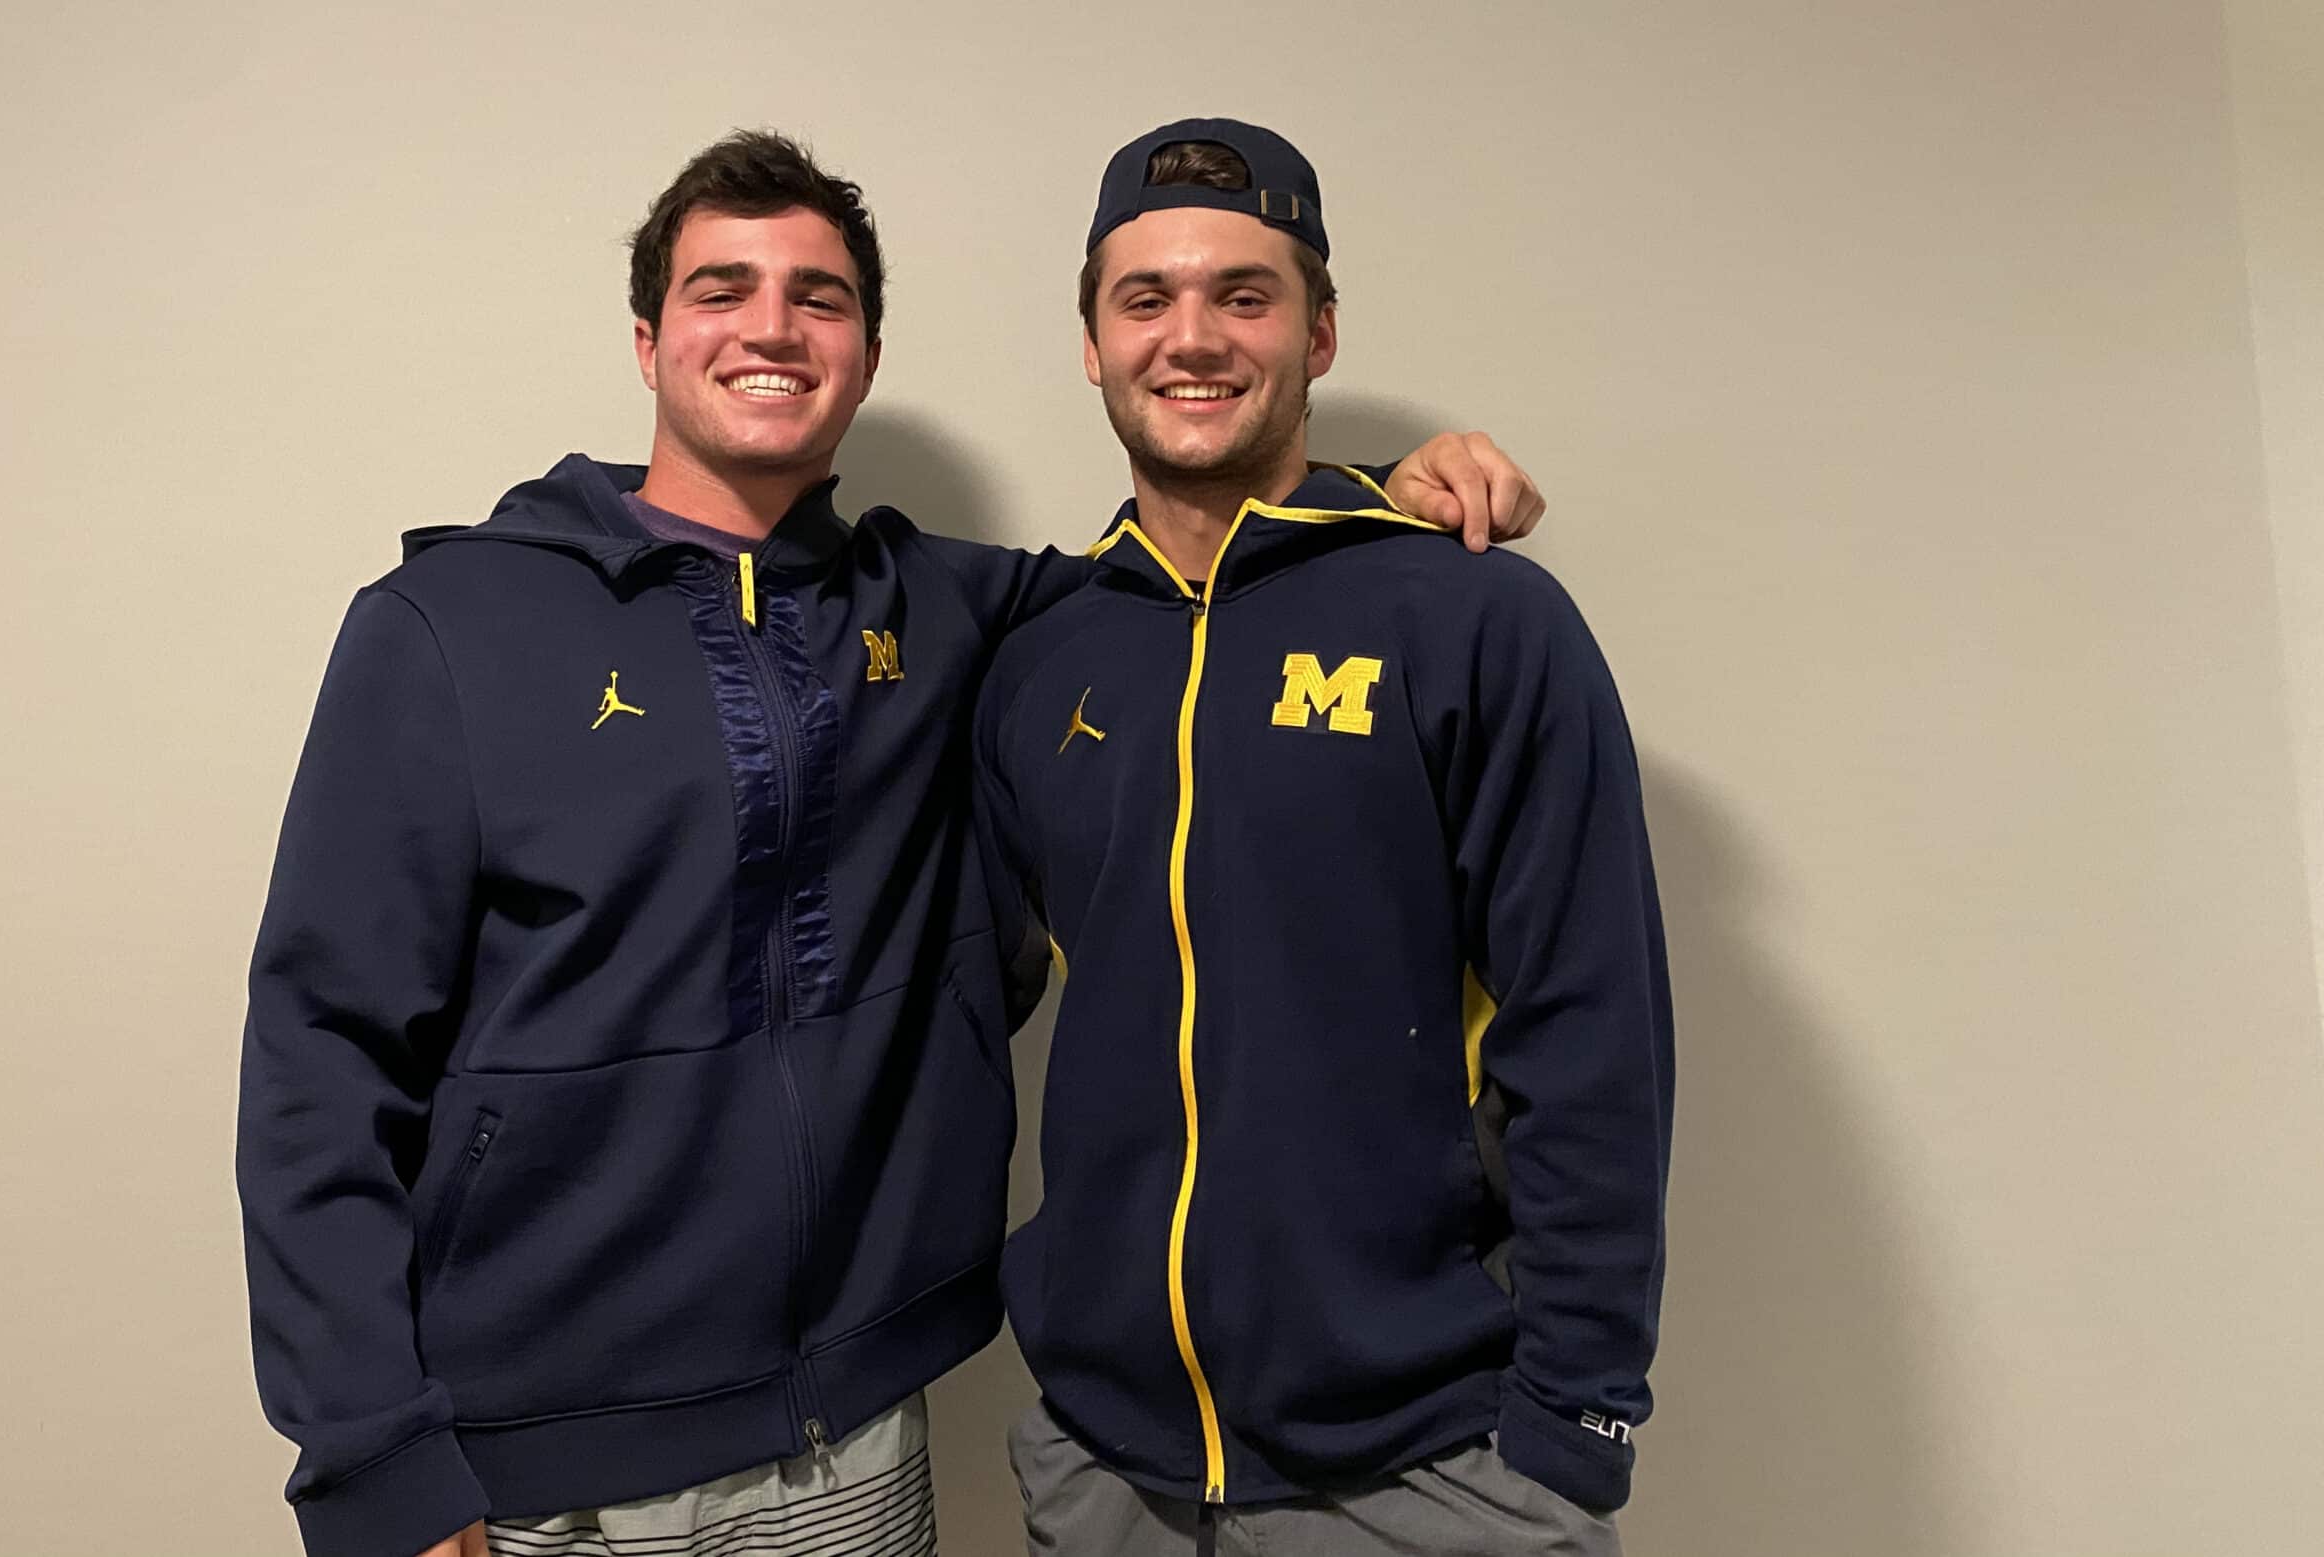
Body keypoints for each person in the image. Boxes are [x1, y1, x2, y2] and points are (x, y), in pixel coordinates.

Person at [234, 128, 1545, 1557]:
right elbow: (322, 1049)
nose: (772, 327)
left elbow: (1192, 584)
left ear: (862, 357)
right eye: (722, 289)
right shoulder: (447, 629)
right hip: (534, 1458)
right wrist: (372, 1454)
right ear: (648, 341)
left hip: (852, 1435)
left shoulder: (954, 611)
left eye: (820, 297)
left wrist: (1376, 491)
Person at [972, 119, 1675, 1557]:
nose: (1193, 337)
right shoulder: (1041, 654)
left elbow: (1592, 1030)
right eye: (1147, 298)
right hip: (1111, 1472)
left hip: (1429, 1467)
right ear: (1093, 346)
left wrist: (1574, 1428)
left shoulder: (1473, 619)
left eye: (1246, 294)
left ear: (1322, 332)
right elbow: (953, 1013)